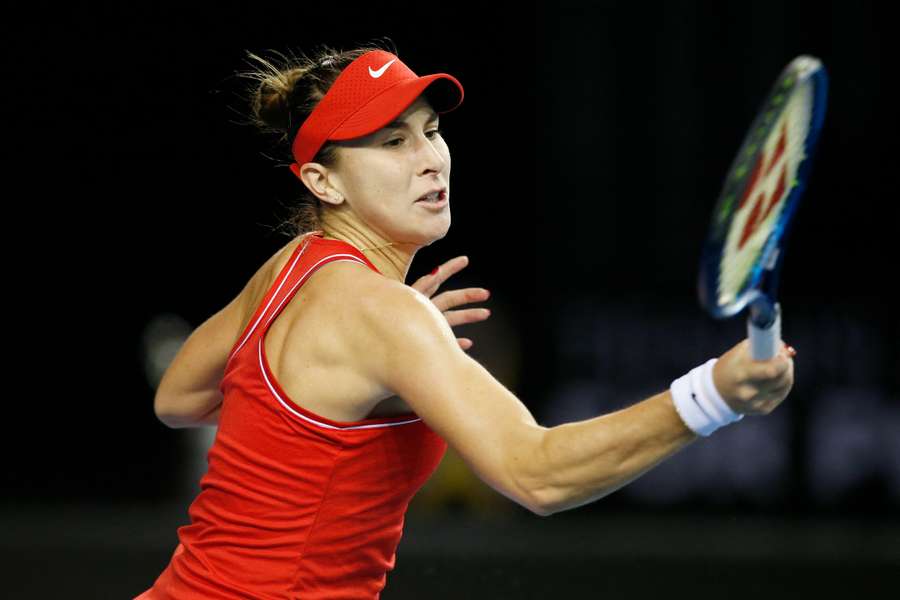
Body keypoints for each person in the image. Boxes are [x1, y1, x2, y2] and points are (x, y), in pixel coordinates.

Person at [137, 41, 796, 599]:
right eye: (392, 142)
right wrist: (715, 395)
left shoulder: (294, 266)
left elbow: (178, 399)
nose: (430, 158)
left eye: (430, 130)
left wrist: (363, 369)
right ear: (322, 182)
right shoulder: (383, 314)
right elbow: (538, 475)